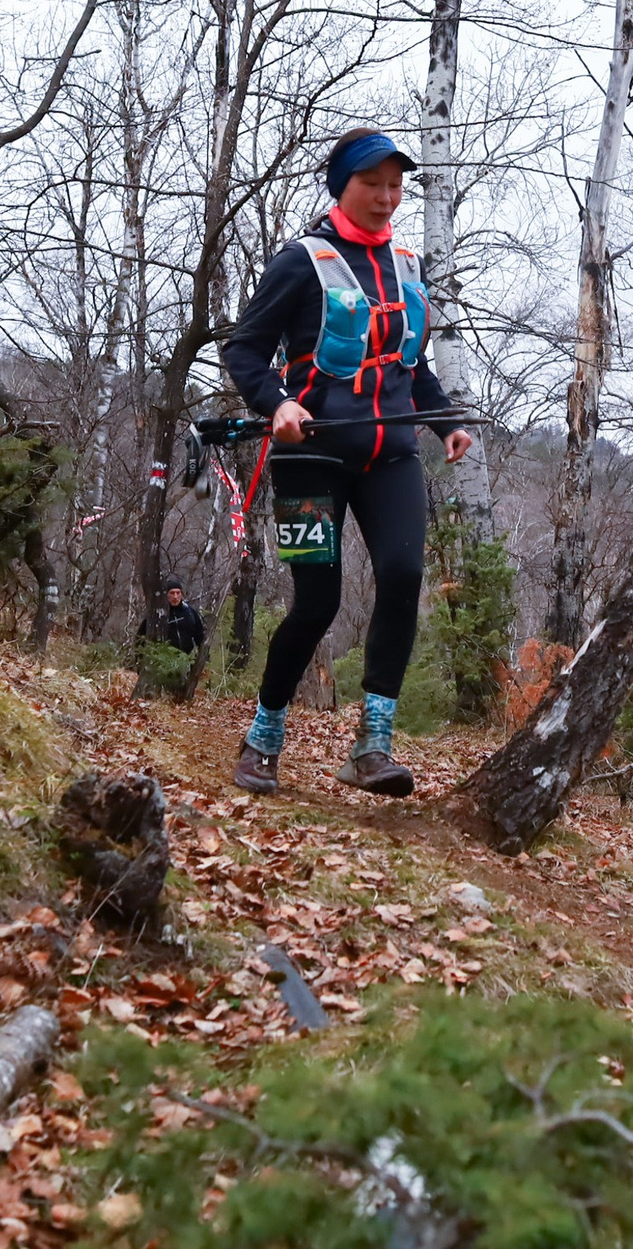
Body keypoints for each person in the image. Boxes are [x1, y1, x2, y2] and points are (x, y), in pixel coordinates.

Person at [221, 127, 475, 796]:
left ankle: (372, 745)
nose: (387, 197)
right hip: (311, 454)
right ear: (343, 186)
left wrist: (446, 422)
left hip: (390, 453)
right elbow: (244, 349)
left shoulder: (407, 267)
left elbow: (411, 367)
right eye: (372, 184)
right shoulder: (301, 261)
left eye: (396, 185)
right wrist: (277, 402)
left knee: (403, 575)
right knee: (317, 603)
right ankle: (263, 736)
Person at [144, 581, 205, 656]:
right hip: (165, 658)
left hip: (187, 658)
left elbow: (199, 635)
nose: (175, 597)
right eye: (172, 593)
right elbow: (142, 637)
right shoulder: (158, 614)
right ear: (166, 595)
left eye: (178, 593)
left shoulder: (189, 612)